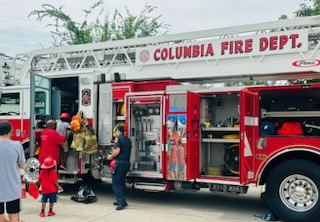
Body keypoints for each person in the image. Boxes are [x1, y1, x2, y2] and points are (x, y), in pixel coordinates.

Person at [0, 120, 26, 222]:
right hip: (12, 187)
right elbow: (22, 165)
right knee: (14, 217)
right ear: (11, 131)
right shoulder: (17, 146)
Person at [107, 125, 132, 210]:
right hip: (126, 162)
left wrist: (110, 156)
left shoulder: (118, 139)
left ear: (117, 131)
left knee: (116, 182)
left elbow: (117, 150)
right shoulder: (128, 140)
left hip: (119, 162)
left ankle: (121, 202)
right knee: (122, 182)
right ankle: (121, 200)